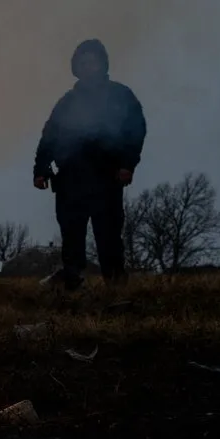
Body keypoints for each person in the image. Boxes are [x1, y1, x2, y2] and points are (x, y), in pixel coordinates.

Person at [33, 39, 146, 290]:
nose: (87, 67)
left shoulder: (120, 95)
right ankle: (72, 284)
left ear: (102, 63)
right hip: (70, 179)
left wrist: (128, 165)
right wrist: (40, 170)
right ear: (76, 68)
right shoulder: (67, 102)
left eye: (91, 61)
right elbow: (49, 136)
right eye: (82, 63)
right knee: (71, 236)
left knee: (108, 236)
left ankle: (116, 287)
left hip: (106, 178)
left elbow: (135, 131)